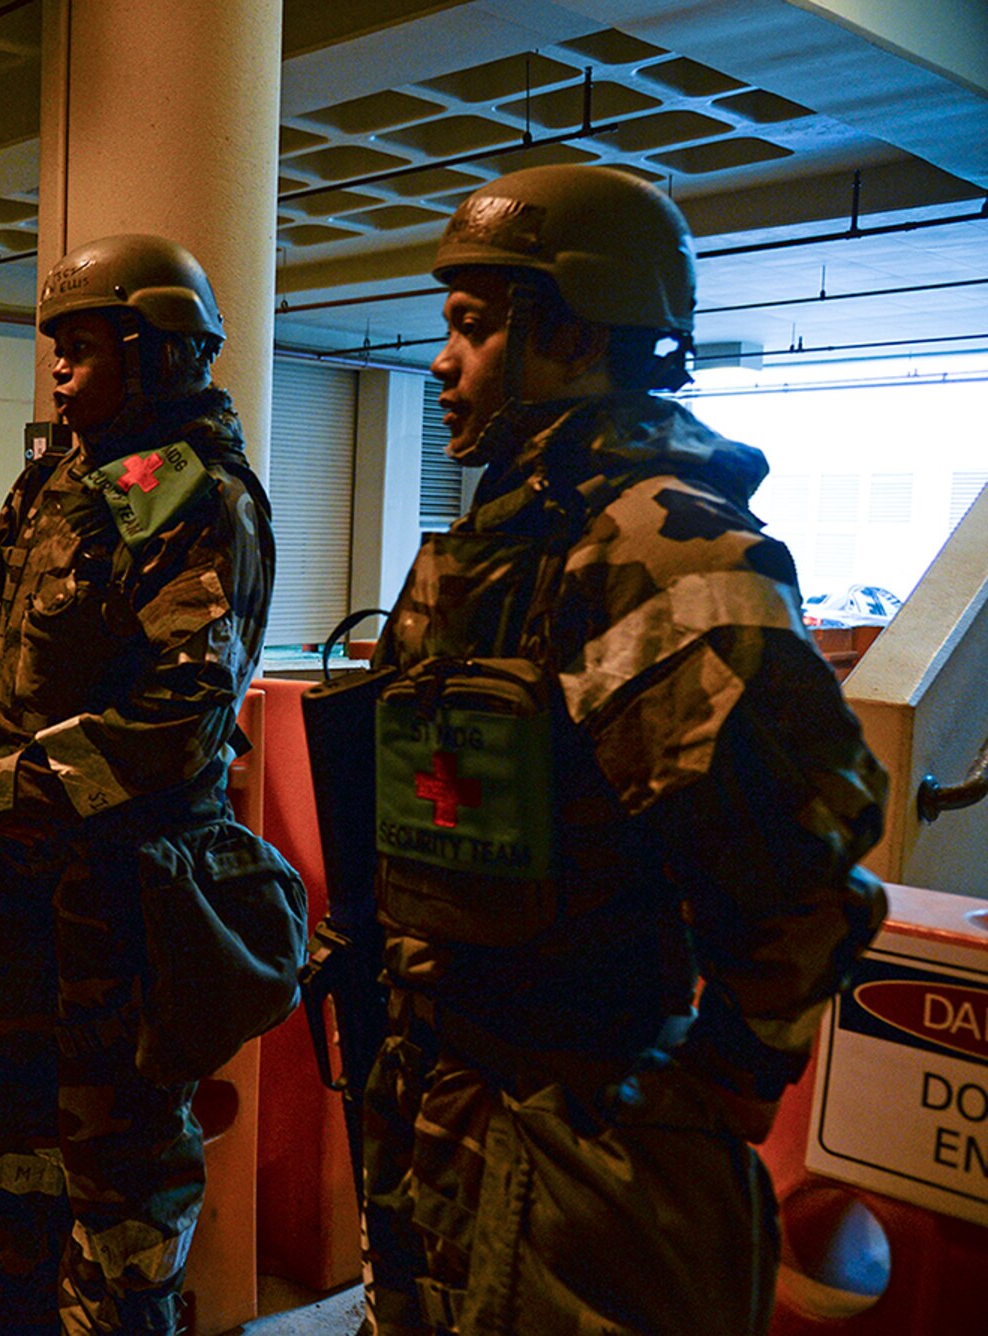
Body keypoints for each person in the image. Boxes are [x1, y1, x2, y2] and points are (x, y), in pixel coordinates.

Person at [359, 165, 889, 1335]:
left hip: (584, 1117)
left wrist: (713, 1092)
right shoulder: (501, 545)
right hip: (448, 1092)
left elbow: (801, 866)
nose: (441, 363)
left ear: (573, 336)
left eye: (473, 327)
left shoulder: (658, 549)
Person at [0, 234, 275, 1336]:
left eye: (82, 345)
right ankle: (1, 1305)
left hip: (119, 888)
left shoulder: (198, 498)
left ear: (158, 351)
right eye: (55, 346)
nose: (58, 368)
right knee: (5, 1109)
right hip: (14, 874)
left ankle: (121, 1318)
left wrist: (9, 786)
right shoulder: (52, 481)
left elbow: (180, 716)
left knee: (116, 1137)